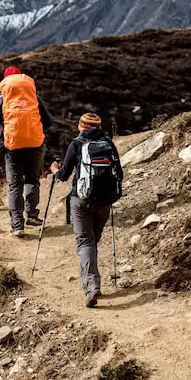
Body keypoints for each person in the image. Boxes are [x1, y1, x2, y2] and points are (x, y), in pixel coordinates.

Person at [50, 113, 123, 308]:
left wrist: (55, 170)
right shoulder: (109, 143)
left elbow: (64, 175)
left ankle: (92, 286)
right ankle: (92, 280)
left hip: (81, 200)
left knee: (85, 242)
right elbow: (120, 174)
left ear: (81, 126)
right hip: (105, 201)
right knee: (92, 241)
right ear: (99, 127)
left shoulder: (77, 143)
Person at [0, 67, 53, 236]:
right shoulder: (34, 97)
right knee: (32, 179)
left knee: (15, 185)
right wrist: (36, 131)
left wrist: (0, 139)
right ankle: (31, 214)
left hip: (12, 145)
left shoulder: (0, 99)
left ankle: (17, 226)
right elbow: (48, 121)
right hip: (35, 143)